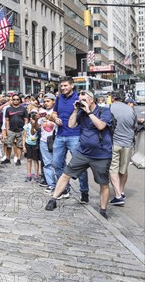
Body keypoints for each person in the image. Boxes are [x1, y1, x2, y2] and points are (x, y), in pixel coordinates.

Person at [46, 90, 113, 218]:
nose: (81, 102)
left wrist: (88, 112)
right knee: (66, 174)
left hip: (101, 154)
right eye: (80, 100)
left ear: (91, 100)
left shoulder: (104, 111)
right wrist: (76, 110)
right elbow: (71, 125)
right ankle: (54, 199)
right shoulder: (80, 112)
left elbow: (100, 126)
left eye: (84, 100)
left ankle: (103, 210)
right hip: (83, 152)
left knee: (103, 183)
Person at [52, 76, 90, 203]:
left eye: (65, 86)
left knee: (79, 166)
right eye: (61, 86)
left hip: (75, 135)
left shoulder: (78, 98)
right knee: (57, 164)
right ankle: (65, 189)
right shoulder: (58, 98)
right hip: (60, 135)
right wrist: (55, 119)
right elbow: (54, 113)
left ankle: (84, 191)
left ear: (72, 85)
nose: (63, 88)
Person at [108, 92, 138, 206]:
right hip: (128, 143)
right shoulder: (131, 110)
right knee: (124, 169)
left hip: (114, 143)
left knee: (113, 169)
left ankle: (118, 195)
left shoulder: (109, 108)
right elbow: (134, 126)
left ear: (113, 98)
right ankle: (121, 191)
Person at [37, 93, 58, 191]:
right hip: (44, 140)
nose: (46, 103)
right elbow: (37, 127)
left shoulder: (57, 111)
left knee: (58, 164)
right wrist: (35, 119)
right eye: (44, 101)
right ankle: (51, 184)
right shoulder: (41, 112)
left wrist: (51, 118)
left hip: (56, 139)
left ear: (54, 101)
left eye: (48, 101)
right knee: (47, 164)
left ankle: (63, 186)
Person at [3, 94, 28, 166]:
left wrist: (25, 128)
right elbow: (7, 120)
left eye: (17, 99)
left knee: (19, 145)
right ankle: (7, 158)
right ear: (12, 100)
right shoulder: (8, 109)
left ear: (20, 100)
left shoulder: (23, 109)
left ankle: (18, 159)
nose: (16, 101)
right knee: (8, 144)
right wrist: (7, 129)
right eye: (14, 99)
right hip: (11, 129)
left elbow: (26, 119)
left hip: (21, 129)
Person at [22, 111, 40, 181]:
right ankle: (28, 174)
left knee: (35, 160)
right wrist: (23, 146)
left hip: (35, 144)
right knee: (29, 159)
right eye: (32, 118)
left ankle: (36, 174)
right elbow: (24, 136)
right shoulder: (27, 126)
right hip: (28, 144)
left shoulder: (38, 125)